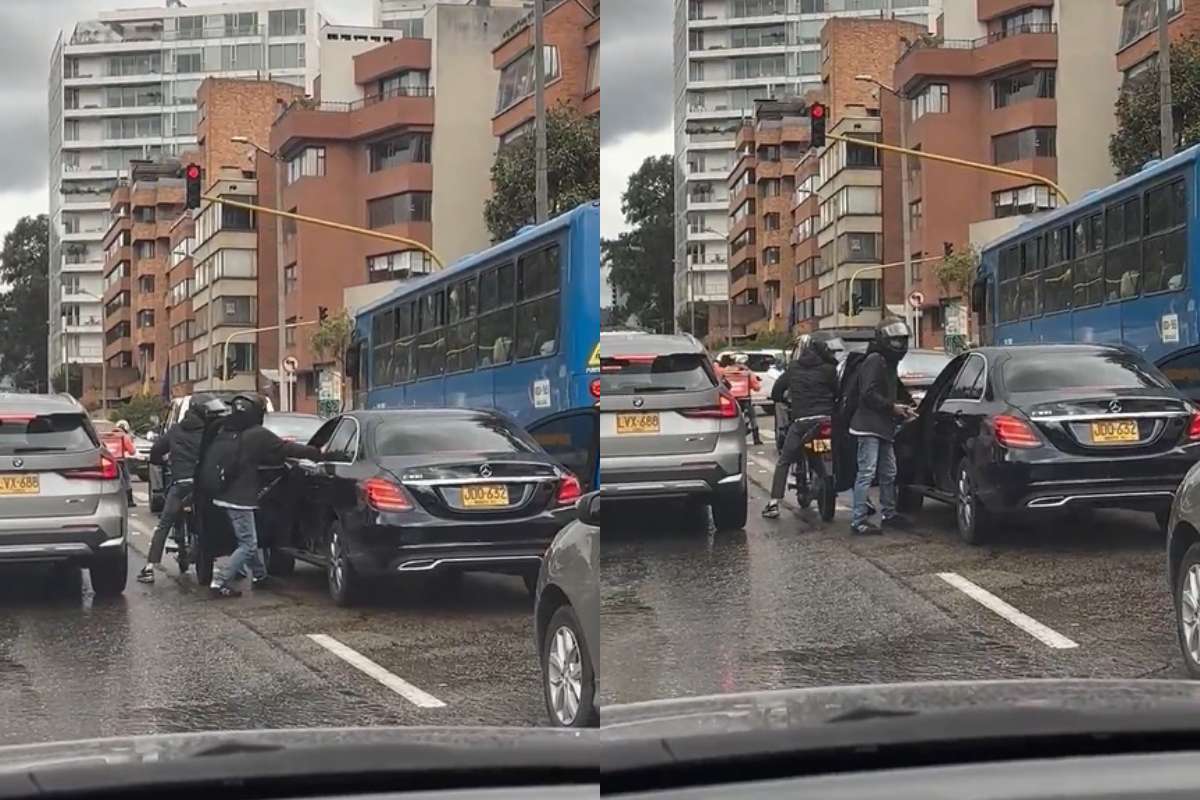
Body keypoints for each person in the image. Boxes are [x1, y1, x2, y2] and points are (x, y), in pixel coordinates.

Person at [200, 393, 325, 598]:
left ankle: (260, 575)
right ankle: (220, 582)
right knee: (248, 544)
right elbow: (287, 449)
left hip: (223, 492)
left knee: (247, 538)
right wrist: (319, 453)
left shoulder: (227, 429)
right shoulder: (257, 434)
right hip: (239, 498)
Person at [847, 318, 917, 536]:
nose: (900, 346)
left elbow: (894, 389)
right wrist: (893, 408)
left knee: (889, 471)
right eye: (895, 340)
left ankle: (889, 513)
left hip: (883, 425)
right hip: (868, 425)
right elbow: (867, 393)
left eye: (902, 340)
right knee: (867, 472)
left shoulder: (889, 362)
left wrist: (909, 405)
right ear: (885, 340)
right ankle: (858, 520)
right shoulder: (875, 360)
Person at [763, 332, 839, 520]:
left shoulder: (793, 369)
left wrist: (787, 399)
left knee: (784, 460)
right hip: (825, 421)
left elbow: (776, 392)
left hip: (802, 422)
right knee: (832, 456)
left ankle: (774, 503)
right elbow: (837, 392)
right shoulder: (829, 370)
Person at [137, 400, 208, 584]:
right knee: (209, 519)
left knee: (164, 523)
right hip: (201, 485)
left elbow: (156, 451)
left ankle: (150, 568)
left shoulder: (176, 430)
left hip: (180, 483)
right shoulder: (207, 431)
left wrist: (162, 462)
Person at [718, 354, 763, 445]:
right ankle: (756, 438)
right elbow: (756, 387)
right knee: (752, 417)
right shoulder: (747, 372)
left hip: (731, 399)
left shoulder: (724, 372)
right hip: (745, 398)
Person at [101, 420, 137, 508]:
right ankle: (129, 501)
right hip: (120, 460)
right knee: (127, 480)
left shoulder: (107, 436)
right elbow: (132, 451)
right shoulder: (123, 437)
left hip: (108, 461)